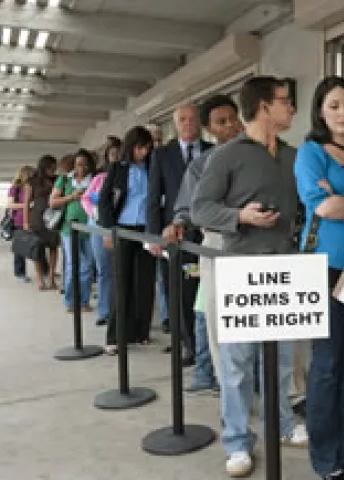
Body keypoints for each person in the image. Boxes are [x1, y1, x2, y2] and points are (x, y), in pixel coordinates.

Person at [191, 76, 308, 478]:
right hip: (240, 268)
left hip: (285, 267)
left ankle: (283, 424)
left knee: (280, 361)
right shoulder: (225, 156)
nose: (291, 108)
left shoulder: (294, 156)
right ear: (262, 106)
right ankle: (238, 441)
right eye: (284, 102)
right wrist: (240, 217)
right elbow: (200, 209)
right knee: (238, 362)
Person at [296, 76, 344, 480]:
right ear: (321, 111)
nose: (343, 112)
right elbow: (322, 208)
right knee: (326, 365)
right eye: (335, 105)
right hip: (324, 267)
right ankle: (325, 460)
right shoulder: (309, 152)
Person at [166, 94, 243, 395]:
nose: (230, 127)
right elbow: (188, 207)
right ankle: (229, 391)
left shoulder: (261, 154)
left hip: (260, 243)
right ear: (210, 129)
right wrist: (178, 223)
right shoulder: (202, 165)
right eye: (221, 123)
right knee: (216, 318)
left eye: (233, 119)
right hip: (218, 243)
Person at [148, 105, 214, 366]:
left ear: (200, 122)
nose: (187, 123)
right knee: (179, 291)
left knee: (205, 290)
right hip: (174, 233)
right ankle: (190, 346)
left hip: (207, 231)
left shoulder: (213, 151)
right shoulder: (162, 155)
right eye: (182, 120)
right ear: (175, 124)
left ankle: (208, 345)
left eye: (192, 119)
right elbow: (153, 198)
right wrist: (154, 236)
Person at [98, 126, 156, 354]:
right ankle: (115, 336)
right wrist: (109, 230)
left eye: (147, 148)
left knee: (144, 284)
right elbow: (104, 202)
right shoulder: (117, 169)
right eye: (140, 148)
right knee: (121, 284)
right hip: (122, 229)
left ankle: (141, 333)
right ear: (131, 147)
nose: (144, 152)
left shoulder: (152, 167)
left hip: (147, 230)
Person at [50, 149, 95, 312]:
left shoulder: (94, 180)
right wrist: (72, 197)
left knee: (88, 265)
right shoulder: (64, 180)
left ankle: (83, 301)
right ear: (73, 165)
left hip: (90, 229)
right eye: (78, 164)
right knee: (74, 265)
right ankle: (70, 301)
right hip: (69, 229)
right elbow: (53, 202)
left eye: (84, 164)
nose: (81, 167)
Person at [82, 141, 121, 326]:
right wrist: (94, 212)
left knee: (121, 270)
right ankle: (104, 311)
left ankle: (122, 310)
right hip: (98, 225)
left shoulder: (128, 176)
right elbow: (86, 198)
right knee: (104, 269)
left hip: (121, 226)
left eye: (118, 153)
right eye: (112, 154)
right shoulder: (100, 178)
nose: (115, 157)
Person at [23, 155, 60, 291]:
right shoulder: (32, 181)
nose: (54, 169)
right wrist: (26, 221)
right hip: (37, 218)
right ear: (44, 166)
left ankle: (50, 277)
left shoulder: (57, 179)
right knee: (38, 250)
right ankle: (39, 279)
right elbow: (26, 203)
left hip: (54, 218)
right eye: (51, 167)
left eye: (55, 167)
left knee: (53, 247)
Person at [8, 165, 34, 283]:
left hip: (34, 220)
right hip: (19, 221)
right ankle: (20, 273)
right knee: (20, 248)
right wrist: (27, 205)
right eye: (32, 174)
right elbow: (10, 205)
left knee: (40, 246)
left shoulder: (33, 187)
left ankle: (45, 270)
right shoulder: (15, 188)